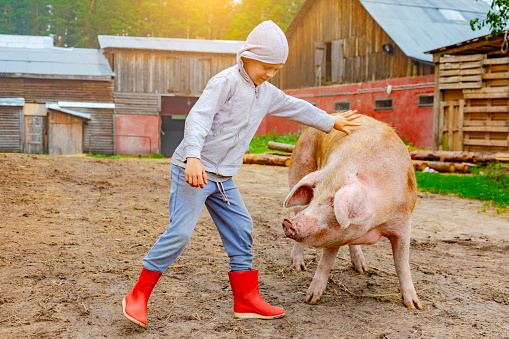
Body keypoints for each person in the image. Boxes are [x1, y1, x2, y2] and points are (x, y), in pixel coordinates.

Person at [122, 20, 361, 327]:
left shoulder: (266, 92)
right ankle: (138, 295)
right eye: (266, 66)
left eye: (276, 69)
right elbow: (198, 118)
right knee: (181, 233)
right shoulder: (225, 83)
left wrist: (330, 121)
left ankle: (246, 300)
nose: (270, 74)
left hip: (223, 178)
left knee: (242, 227)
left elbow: (295, 106)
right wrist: (193, 156)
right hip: (193, 170)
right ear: (247, 56)